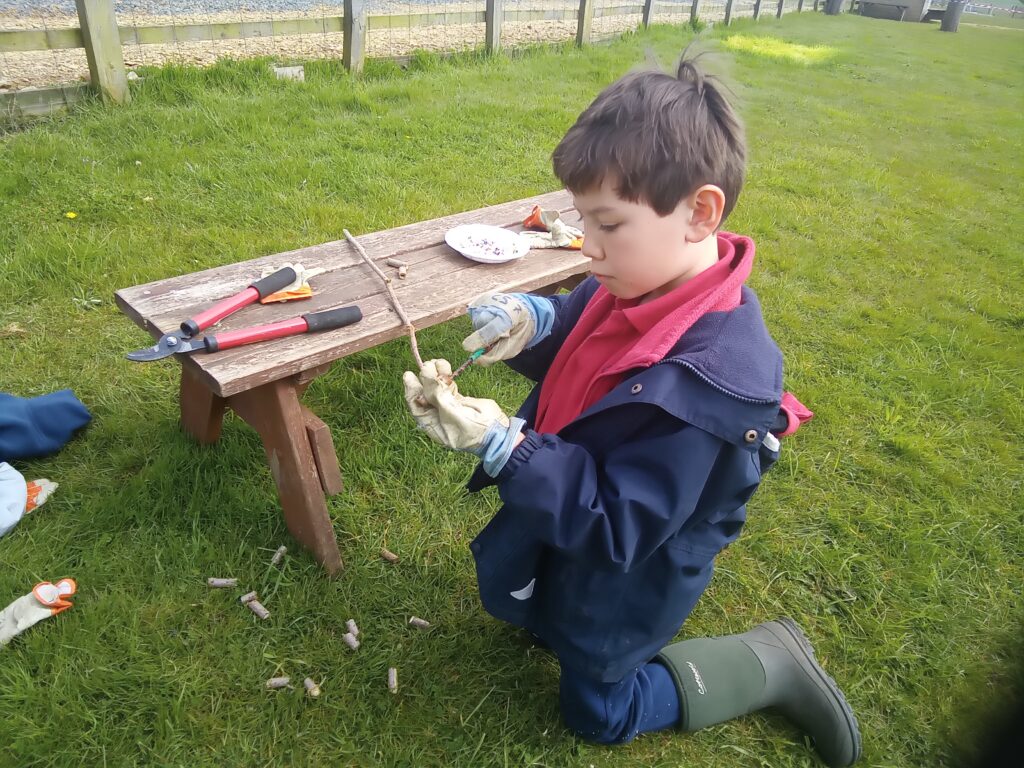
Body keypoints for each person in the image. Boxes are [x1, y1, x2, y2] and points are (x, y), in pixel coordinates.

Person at [402, 53, 861, 767]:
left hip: (625, 574)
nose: (587, 248)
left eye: (607, 223)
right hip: (568, 522)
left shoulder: (705, 390)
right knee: (547, 608)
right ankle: (551, 616)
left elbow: (619, 527)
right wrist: (535, 324)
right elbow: (587, 342)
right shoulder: (635, 280)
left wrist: (506, 447)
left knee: (597, 712)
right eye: (582, 220)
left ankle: (769, 662)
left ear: (700, 212)